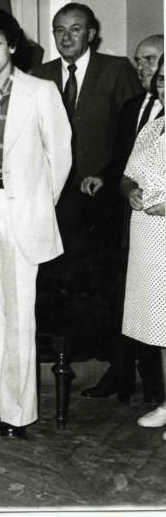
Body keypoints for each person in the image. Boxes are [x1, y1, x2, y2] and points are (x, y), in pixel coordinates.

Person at [0, 8, 72, 439]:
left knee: (17, 314)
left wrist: (34, 206)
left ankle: (17, 412)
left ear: (11, 46)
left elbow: (60, 159)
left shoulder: (40, 92)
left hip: (18, 210)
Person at [82, 34, 165, 403]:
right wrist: (112, 180)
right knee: (131, 305)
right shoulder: (137, 110)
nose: (143, 69)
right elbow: (125, 163)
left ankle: (155, 390)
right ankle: (123, 376)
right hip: (133, 225)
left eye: (151, 60)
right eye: (140, 61)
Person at [31, 3, 141, 263]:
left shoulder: (116, 69)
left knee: (96, 280)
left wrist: (108, 176)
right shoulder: (39, 75)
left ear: (91, 34)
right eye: (59, 30)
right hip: (52, 197)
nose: (66, 37)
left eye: (75, 29)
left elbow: (134, 133)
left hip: (100, 195)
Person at [120, 56, 166, 436]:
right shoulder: (152, 129)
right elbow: (127, 176)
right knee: (160, 325)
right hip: (149, 238)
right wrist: (131, 191)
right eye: (162, 81)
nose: (165, 88)